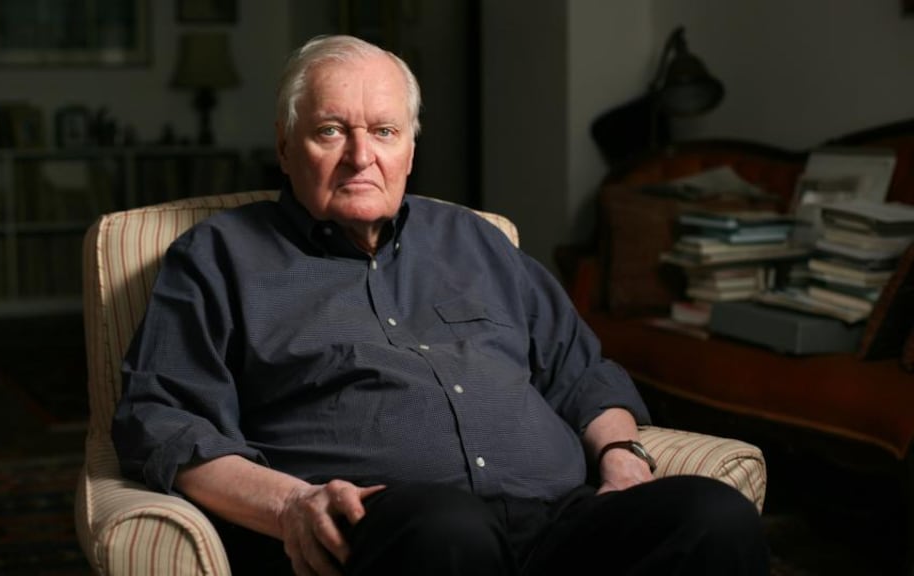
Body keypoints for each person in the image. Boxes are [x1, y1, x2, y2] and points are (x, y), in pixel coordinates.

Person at [113, 34, 769, 576]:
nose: (361, 156)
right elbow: (168, 423)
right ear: (285, 148)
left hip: (563, 521)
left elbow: (582, 372)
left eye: (385, 131)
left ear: (411, 150)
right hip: (396, 532)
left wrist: (621, 458)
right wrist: (291, 504)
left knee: (714, 516)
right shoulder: (219, 257)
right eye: (331, 131)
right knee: (449, 531)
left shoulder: (476, 239)